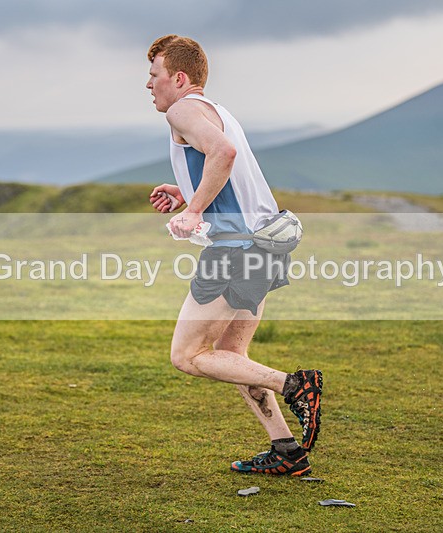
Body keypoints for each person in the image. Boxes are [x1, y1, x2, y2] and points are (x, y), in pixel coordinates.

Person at [146, 34, 323, 476]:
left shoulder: (183, 109)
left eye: (154, 75)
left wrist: (194, 210)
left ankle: (296, 385)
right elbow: (228, 165)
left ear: (179, 78)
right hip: (264, 247)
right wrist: (185, 191)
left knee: (187, 356)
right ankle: (286, 449)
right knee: (231, 353)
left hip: (235, 252)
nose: (149, 85)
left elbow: (222, 154)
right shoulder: (216, 111)